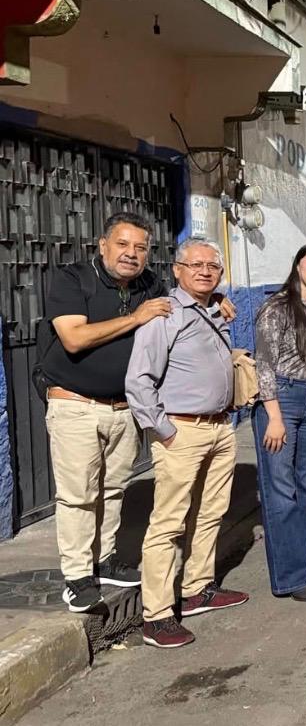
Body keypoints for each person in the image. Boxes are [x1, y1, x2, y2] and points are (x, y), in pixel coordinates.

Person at [40, 213, 171, 611]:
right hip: (76, 405)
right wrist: (136, 318)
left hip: (124, 408)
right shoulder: (73, 279)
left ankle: (105, 560)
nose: (131, 254)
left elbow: (178, 309)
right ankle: (78, 577)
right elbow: (74, 338)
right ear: (102, 245)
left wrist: (216, 301)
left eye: (140, 248)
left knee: (113, 489)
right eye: (123, 244)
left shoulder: (150, 285)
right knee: (78, 495)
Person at [126, 238, 248, 648]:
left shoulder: (215, 309)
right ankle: (157, 616)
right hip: (182, 430)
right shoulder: (165, 314)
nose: (204, 271)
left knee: (211, 513)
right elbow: (139, 380)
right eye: (195, 265)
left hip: (219, 428)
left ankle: (197, 588)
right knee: (169, 523)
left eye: (212, 266)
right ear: (177, 270)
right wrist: (163, 430)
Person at [253, 243, 306, 602]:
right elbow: (263, 363)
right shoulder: (277, 307)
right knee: (281, 490)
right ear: (298, 265)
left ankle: (297, 561)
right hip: (282, 399)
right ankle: (291, 577)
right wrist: (274, 416)